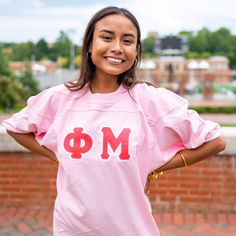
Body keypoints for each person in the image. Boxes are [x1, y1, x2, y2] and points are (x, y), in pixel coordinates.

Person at [2, 6, 225, 236]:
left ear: (136, 52)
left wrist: (153, 169)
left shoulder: (148, 100)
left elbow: (215, 142)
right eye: (107, 37)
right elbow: (15, 128)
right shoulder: (60, 98)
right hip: (71, 229)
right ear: (89, 45)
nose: (116, 48)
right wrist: (55, 154)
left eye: (127, 41)